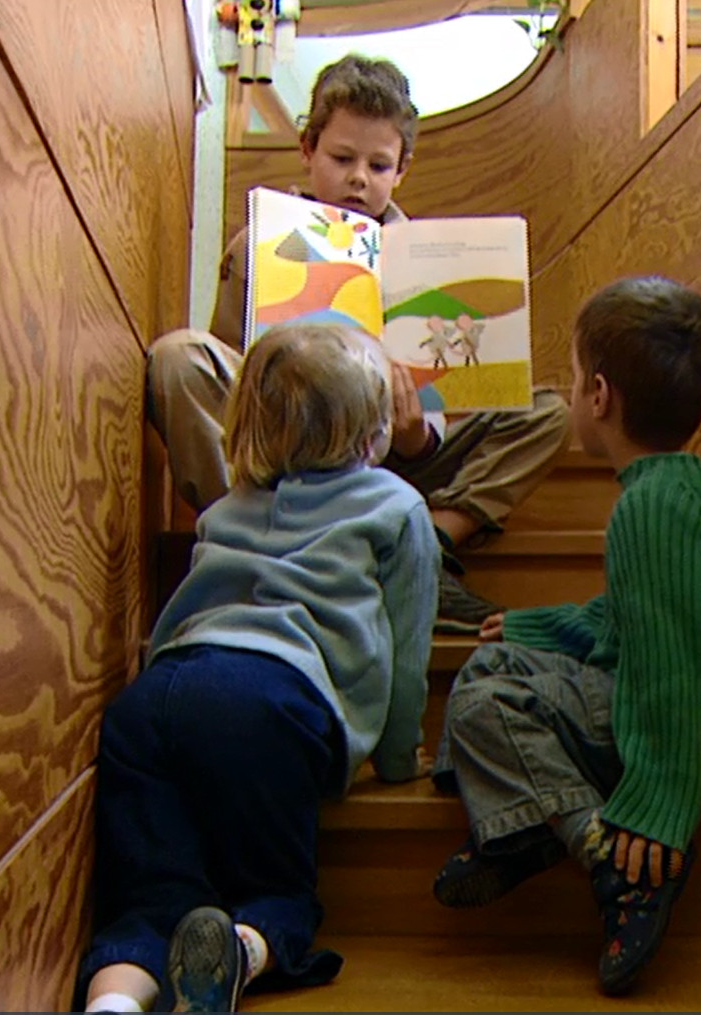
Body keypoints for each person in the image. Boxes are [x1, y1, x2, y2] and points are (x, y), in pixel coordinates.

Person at [429, 276, 701, 996]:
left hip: (696, 737)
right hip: (689, 713)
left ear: (597, 395)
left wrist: (658, 808)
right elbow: (632, 620)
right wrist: (535, 625)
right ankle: (517, 825)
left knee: (482, 703)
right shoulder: (670, 490)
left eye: (572, 374)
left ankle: (607, 862)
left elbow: (675, 675)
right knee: (495, 660)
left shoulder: (651, 512)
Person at [78, 322, 438, 1013]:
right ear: (373, 430)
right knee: (273, 891)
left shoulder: (224, 509)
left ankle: (113, 1001)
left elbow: (186, 608)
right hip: (268, 703)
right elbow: (406, 645)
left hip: (152, 699)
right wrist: (398, 759)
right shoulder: (397, 506)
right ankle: (242, 949)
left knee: (146, 896)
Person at [147, 54, 569, 632]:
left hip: (389, 460)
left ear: (402, 169)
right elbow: (229, 378)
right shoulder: (258, 244)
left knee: (547, 412)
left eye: (379, 164)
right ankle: (254, 534)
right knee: (179, 358)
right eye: (342, 158)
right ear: (307, 149)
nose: (359, 179)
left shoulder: (421, 257)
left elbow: (433, 416)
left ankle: (427, 546)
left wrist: (415, 432)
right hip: (282, 452)